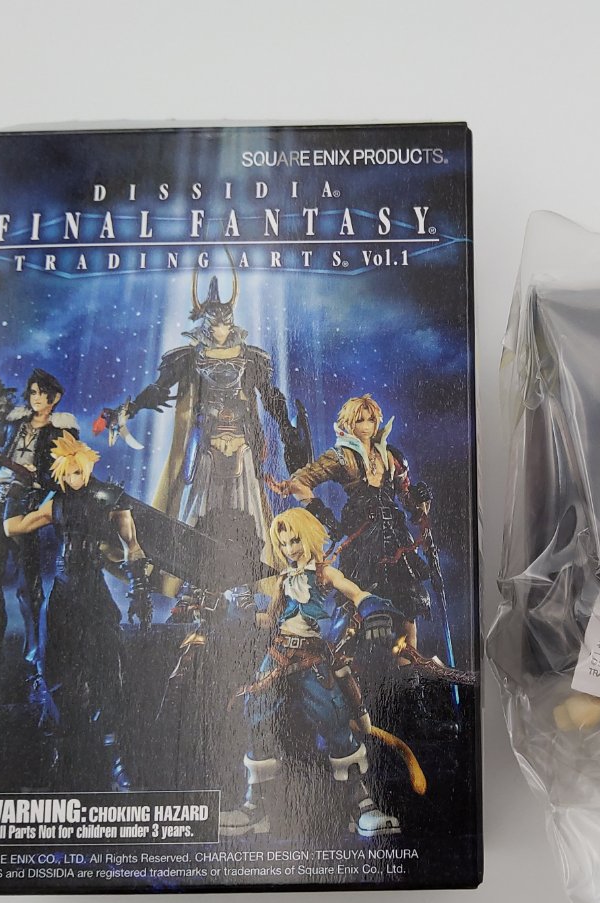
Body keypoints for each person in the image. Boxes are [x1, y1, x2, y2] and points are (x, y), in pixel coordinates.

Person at [102, 267, 306, 574]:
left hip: (243, 443)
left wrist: (287, 429)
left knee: (248, 510)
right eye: (215, 322)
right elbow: (159, 389)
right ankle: (191, 577)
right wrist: (128, 410)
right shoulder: (187, 357)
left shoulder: (251, 358)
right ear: (206, 322)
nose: (221, 329)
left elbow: (270, 396)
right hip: (204, 444)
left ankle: (251, 576)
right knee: (197, 508)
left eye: (226, 321)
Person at [218, 507, 405, 837]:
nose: (290, 548)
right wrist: (235, 610)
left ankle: (361, 804)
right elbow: (270, 620)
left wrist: (373, 610)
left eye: (295, 540)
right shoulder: (282, 580)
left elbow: (356, 592)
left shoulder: (323, 574)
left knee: (333, 719)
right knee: (257, 714)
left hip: (311, 660)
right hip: (277, 657)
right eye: (284, 543)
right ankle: (254, 807)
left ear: (308, 536)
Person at [3, 435, 152, 791]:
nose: (76, 477)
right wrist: (14, 491)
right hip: (63, 592)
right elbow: (14, 526)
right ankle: (63, 752)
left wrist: (139, 589)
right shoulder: (55, 503)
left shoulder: (110, 499)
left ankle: (117, 757)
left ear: (89, 466)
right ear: (62, 472)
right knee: (56, 669)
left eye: (80, 471)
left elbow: (133, 547)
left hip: (93, 591)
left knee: (107, 671)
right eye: (69, 472)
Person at [270, 395, 432, 651]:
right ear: (349, 423)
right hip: (362, 535)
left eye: (370, 420)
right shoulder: (341, 456)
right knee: (355, 605)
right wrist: (323, 515)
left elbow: (409, 501)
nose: (366, 426)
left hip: (395, 536)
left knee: (408, 605)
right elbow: (301, 481)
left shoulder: (390, 456)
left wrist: (420, 499)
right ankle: (351, 661)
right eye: (360, 421)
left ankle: (408, 664)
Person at [0, 367, 77, 690]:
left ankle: (38, 669)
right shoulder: (14, 424)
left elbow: (63, 477)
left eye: (42, 393)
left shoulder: (63, 432)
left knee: (29, 591)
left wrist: (24, 471)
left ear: (55, 398)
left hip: (26, 508)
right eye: (32, 392)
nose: (37, 399)